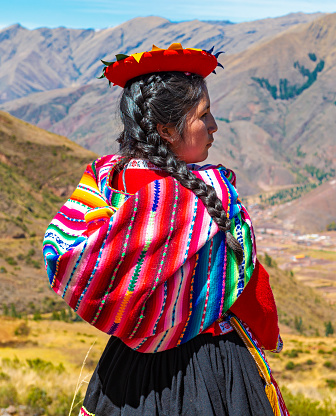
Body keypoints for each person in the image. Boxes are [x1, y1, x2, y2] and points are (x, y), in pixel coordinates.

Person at [43, 43, 289, 416]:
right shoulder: (209, 195)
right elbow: (251, 291)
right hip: (211, 371)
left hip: (125, 374)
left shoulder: (106, 181)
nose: (213, 126)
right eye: (203, 116)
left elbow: (71, 254)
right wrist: (268, 334)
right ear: (166, 130)